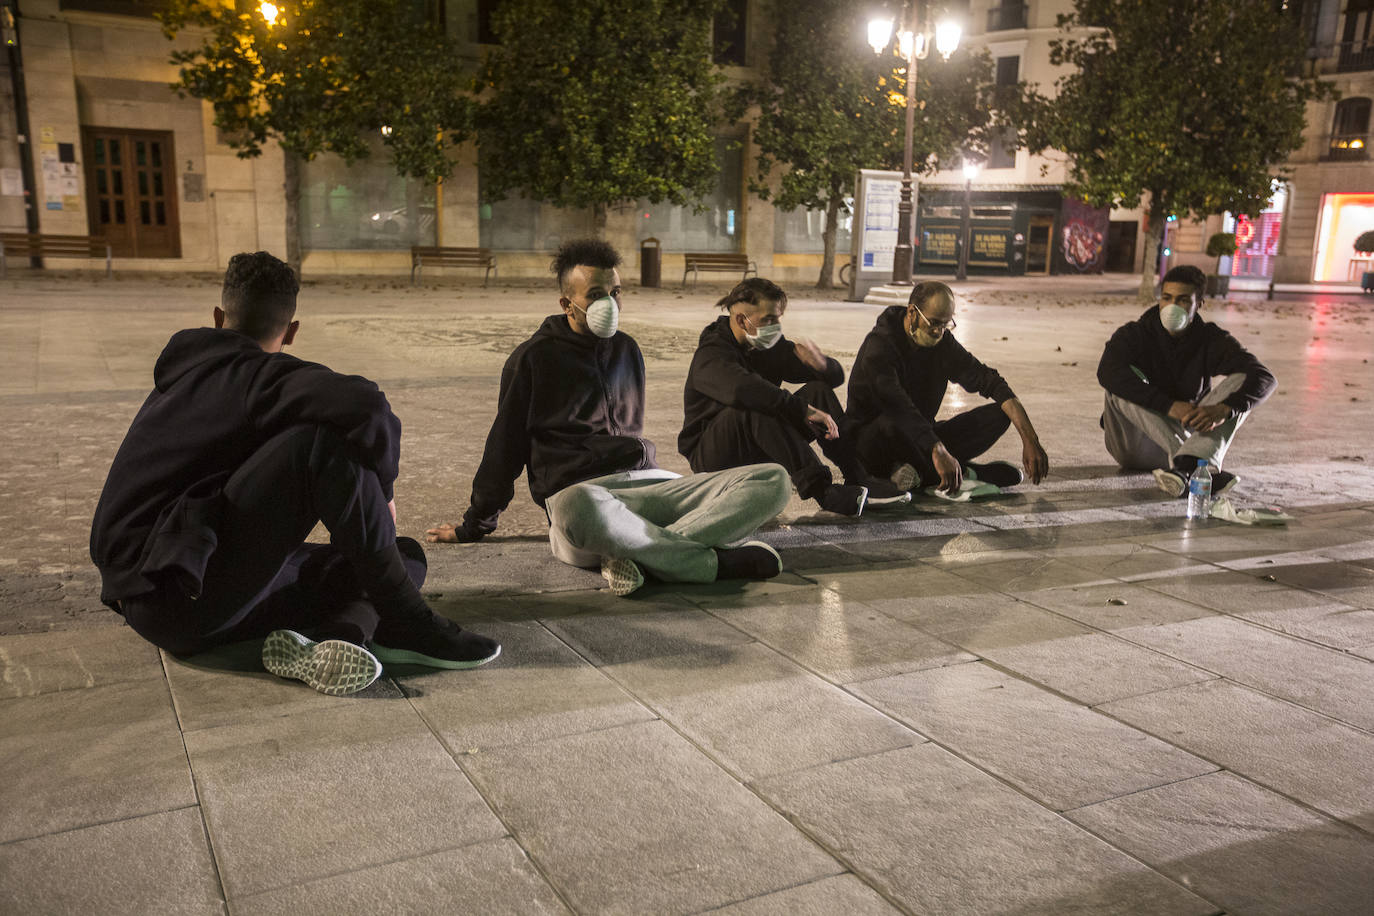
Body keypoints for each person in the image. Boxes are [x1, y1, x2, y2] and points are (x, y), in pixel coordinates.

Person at [90, 251, 500, 696]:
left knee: (401, 554)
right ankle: (406, 621)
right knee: (323, 443)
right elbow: (367, 405)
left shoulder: (177, 383)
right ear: (292, 332)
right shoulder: (250, 376)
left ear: (217, 317)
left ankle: (342, 636)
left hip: (167, 595)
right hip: (185, 593)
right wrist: (382, 492)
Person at [427, 239, 791, 597]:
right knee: (578, 510)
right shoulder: (533, 359)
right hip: (584, 498)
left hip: (650, 484)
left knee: (772, 480)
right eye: (597, 295)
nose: (610, 303)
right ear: (567, 304)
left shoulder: (627, 349)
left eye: (616, 292)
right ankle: (712, 563)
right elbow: (504, 448)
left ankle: (648, 556)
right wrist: (474, 525)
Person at [678, 278, 910, 516]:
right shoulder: (711, 354)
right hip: (713, 455)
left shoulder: (766, 346)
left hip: (759, 439)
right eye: (768, 319)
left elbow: (833, 378)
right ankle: (824, 492)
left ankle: (858, 475)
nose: (775, 326)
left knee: (817, 391)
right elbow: (746, 390)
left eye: (778, 318)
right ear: (741, 320)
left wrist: (821, 365)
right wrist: (803, 411)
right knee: (756, 406)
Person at [846, 280, 1050, 495]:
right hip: (873, 442)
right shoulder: (880, 346)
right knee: (891, 423)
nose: (938, 331)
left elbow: (990, 380)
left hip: (920, 438)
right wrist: (937, 449)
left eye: (945, 325)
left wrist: (1030, 439)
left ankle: (924, 473)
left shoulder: (942, 343)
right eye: (933, 323)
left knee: (999, 415)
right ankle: (965, 473)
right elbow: (897, 407)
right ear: (913, 313)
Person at [1097, 264, 1275, 496]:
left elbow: (1264, 377)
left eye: (1182, 300)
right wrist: (1169, 406)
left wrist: (1225, 409)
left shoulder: (1210, 339)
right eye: (1167, 298)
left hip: (1186, 438)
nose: (1172, 306)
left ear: (1199, 304)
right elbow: (1106, 371)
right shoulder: (1135, 334)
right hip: (1134, 444)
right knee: (1118, 385)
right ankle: (1195, 465)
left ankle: (1185, 466)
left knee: (1244, 379)